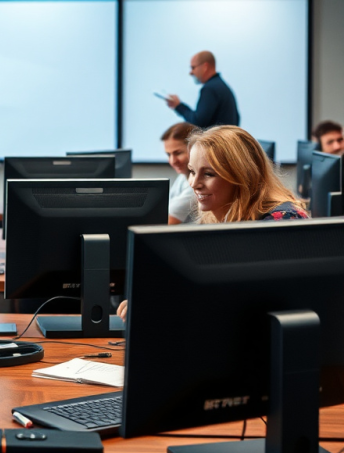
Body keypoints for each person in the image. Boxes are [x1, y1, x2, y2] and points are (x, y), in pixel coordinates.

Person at [118, 125, 308, 322]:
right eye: (192, 171)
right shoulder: (223, 216)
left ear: (242, 176)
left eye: (208, 174)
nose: (194, 183)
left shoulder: (280, 224)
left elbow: (244, 304)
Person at [165, 50, 240, 128]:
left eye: (193, 67)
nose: (191, 72)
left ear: (205, 67)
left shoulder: (210, 89)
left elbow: (198, 122)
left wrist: (178, 106)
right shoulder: (223, 87)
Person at [160, 122, 197, 224]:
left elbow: (165, 224)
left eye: (178, 153)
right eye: (168, 155)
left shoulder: (196, 187)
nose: (172, 161)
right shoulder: (183, 176)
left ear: (195, 149)